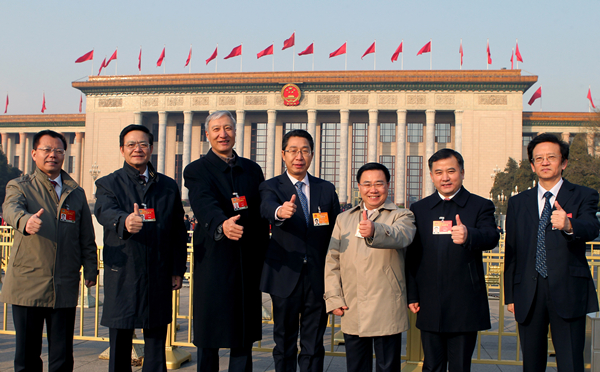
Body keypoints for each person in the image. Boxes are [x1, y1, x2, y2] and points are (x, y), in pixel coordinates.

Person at [0, 129, 98, 372]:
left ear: (65, 155)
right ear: (34, 154)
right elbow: (11, 209)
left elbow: (86, 235)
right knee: (27, 355)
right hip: (28, 282)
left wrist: (91, 268)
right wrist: (25, 221)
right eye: (46, 149)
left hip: (63, 283)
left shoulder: (75, 193)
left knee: (62, 356)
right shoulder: (20, 186)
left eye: (58, 150)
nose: (52, 155)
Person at [94, 124, 188, 372]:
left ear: (151, 148)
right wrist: (124, 220)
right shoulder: (108, 184)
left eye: (143, 144)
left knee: (156, 342)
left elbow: (178, 231)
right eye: (131, 145)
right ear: (122, 150)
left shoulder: (167, 186)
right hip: (124, 273)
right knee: (121, 342)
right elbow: (104, 211)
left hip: (158, 273)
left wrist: (177, 269)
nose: (138, 149)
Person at [504, 133, 600, 372]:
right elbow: (512, 250)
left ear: (563, 162)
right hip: (529, 291)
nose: (545, 162)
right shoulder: (518, 202)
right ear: (533, 165)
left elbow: (591, 226)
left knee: (570, 363)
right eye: (539, 158)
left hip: (568, 290)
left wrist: (570, 226)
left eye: (551, 157)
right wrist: (510, 294)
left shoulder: (583, 195)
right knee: (532, 364)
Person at [184, 110, 269, 372]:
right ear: (207, 134)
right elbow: (203, 202)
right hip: (214, 259)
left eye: (228, 128)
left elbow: (261, 209)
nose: (223, 134)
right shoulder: (197, 170)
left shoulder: (252, 170)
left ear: (235, 131)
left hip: (247, 261)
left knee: (243, 334)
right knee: (210, 334)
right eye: (217, 129)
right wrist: (221, 223)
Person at [406, 148, 499, 372]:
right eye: (438, 172)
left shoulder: (479, 205)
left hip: (464, 301)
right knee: (431, 365)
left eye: (451, 171)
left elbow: (492, 236)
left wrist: (470, 235)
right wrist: (413, 293)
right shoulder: (420, 209)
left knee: (459, 366)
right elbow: (412, 254)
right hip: (429, 301)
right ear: (431, 176)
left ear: (462, 172)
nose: (445, 177)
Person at [260, 130, 340, 372]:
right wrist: (279, 212)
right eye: (293, 150)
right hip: (285, 275)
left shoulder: (325, 188)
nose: (299, 156)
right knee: (284, 341)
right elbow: (266, 208)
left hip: (318, 277)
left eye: (305, 150)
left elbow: (336, 228)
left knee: (314, 342)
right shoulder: (271, 186)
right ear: (283, 154)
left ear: (312, 155)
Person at [324, 162, 416, 372]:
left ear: (388, 186)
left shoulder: (402, 216)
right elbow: (332, 261)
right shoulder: (343, 219)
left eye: (378, 184)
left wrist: (375, 229)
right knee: (356, 366)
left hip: (387, 305)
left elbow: (403, 236)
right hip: (352, 304)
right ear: (359, 186)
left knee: (388, 366)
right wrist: (333, 298)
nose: (372, 189)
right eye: (367, 184)